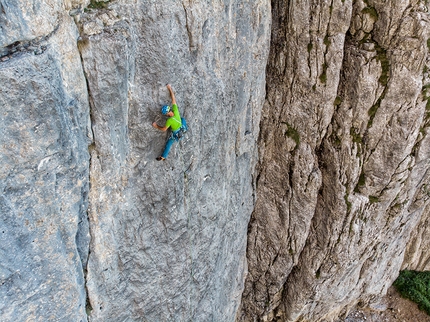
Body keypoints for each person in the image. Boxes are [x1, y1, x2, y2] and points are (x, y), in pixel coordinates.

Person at [152, 84, 182, 161]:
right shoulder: (175, 110)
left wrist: (156, 126)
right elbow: (173, 98)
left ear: (167, 114)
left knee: (169, 144)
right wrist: (169, 88)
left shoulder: (169, 120)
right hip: (182, 126)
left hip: (176, 133)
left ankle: (163, 157)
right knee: (182, 119)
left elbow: (164, 129)